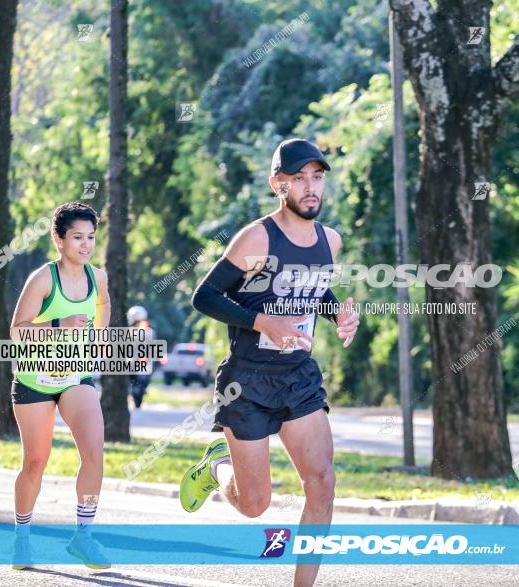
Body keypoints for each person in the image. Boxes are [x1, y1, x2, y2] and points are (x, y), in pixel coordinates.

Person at [179, 138, 359, 587]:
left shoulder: (329, 241)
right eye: (299, 178)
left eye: (317, 177)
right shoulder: (257, 237)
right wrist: (263, 322)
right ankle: (216, 465)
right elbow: (204, 296)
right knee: (254, 503)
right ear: (279, 184)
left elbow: (313, 287)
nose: (310, 187)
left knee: (322, 483)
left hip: (298, 377)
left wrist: (338, 311)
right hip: (248, 381)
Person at [8, 203, 111, 570]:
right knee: (35, 461)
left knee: (94, 451)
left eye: (91, 238)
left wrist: (98, 337)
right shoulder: (43, 279)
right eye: (78, 237)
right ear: (59, 239)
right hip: (35, 378)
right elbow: (16, 331)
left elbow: (103, 302)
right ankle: (22, 538)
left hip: (74, 376)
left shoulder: (96, 277)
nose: (85, 245)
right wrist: (58, 325)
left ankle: (83, 536)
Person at [126, 305, 154, 408]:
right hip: (131, 360)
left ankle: (141, 389)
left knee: (145, 376)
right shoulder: (127, 331)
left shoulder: (147, 331)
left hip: (143, 360)